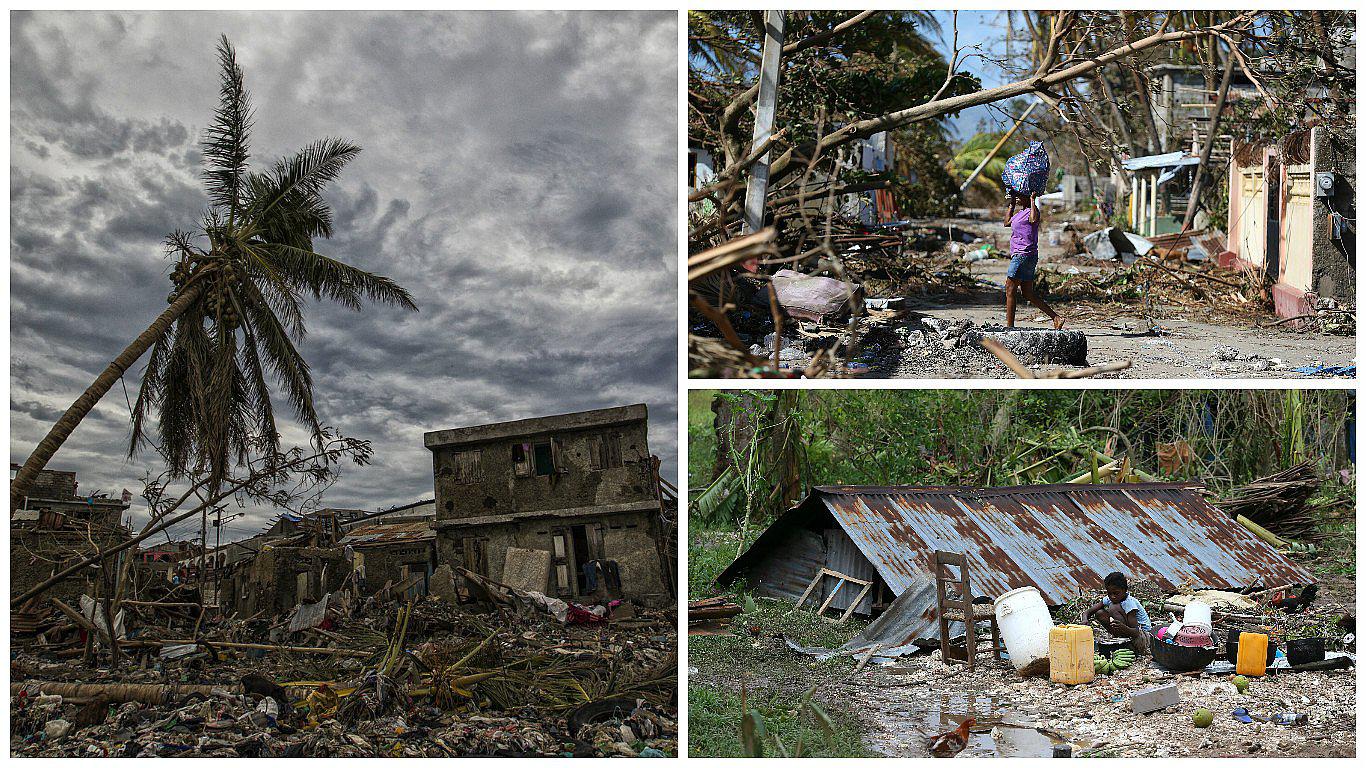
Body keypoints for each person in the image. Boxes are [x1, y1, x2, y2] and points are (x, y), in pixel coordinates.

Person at [1003, 190, 1064, 329]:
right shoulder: (1019, 214)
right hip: (1026, 256)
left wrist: (1032, 199)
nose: (1017, 197)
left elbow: (1033, 219)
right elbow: (1006, 223)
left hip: (1023, 255)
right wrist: (1012, 205)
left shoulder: (1032, 210)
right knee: (1027, 293)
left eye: (1019, 195)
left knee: (1010, 289)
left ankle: (1009, 327)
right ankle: (1056, 318)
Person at [1085, 571, 1152, 654]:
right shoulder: (1110, 598)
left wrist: (1123, 627)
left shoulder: (1130, 603)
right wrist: (1085, 619)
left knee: (1114, 607)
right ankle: (1119, 639)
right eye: (1109, 593)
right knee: (1100, 613)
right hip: (1128, 630)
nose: (1112, 596)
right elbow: (1090, 611)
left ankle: (1127, 643)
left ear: (1125, 590)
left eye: (1116, 593)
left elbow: (1136, 632)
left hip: (1143, 638)